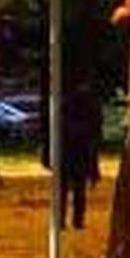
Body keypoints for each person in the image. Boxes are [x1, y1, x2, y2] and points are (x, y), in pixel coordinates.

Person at [42, 83, 103, 230]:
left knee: (64, 191)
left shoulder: (63, 111)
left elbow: (51, 135)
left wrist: (47, 157)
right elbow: (93, 142)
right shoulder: (89, 114)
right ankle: (76, 221)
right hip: (77, 156)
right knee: (78, 191)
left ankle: (62, 221)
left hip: (66, 156)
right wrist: (94, 168)